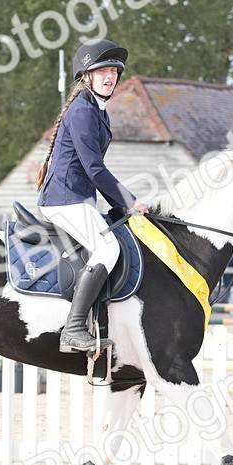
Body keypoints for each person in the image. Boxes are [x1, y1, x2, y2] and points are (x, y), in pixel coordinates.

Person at [35, 38, 147, 353]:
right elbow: (95, 170)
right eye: (102, 72)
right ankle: (73, 329)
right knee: (107, 247)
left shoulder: (97, 110)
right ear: (87, 76)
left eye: (114, 71)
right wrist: (128, 202)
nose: (110, 77)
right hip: (63, 199)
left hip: (77, 198)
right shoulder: (84, 111)